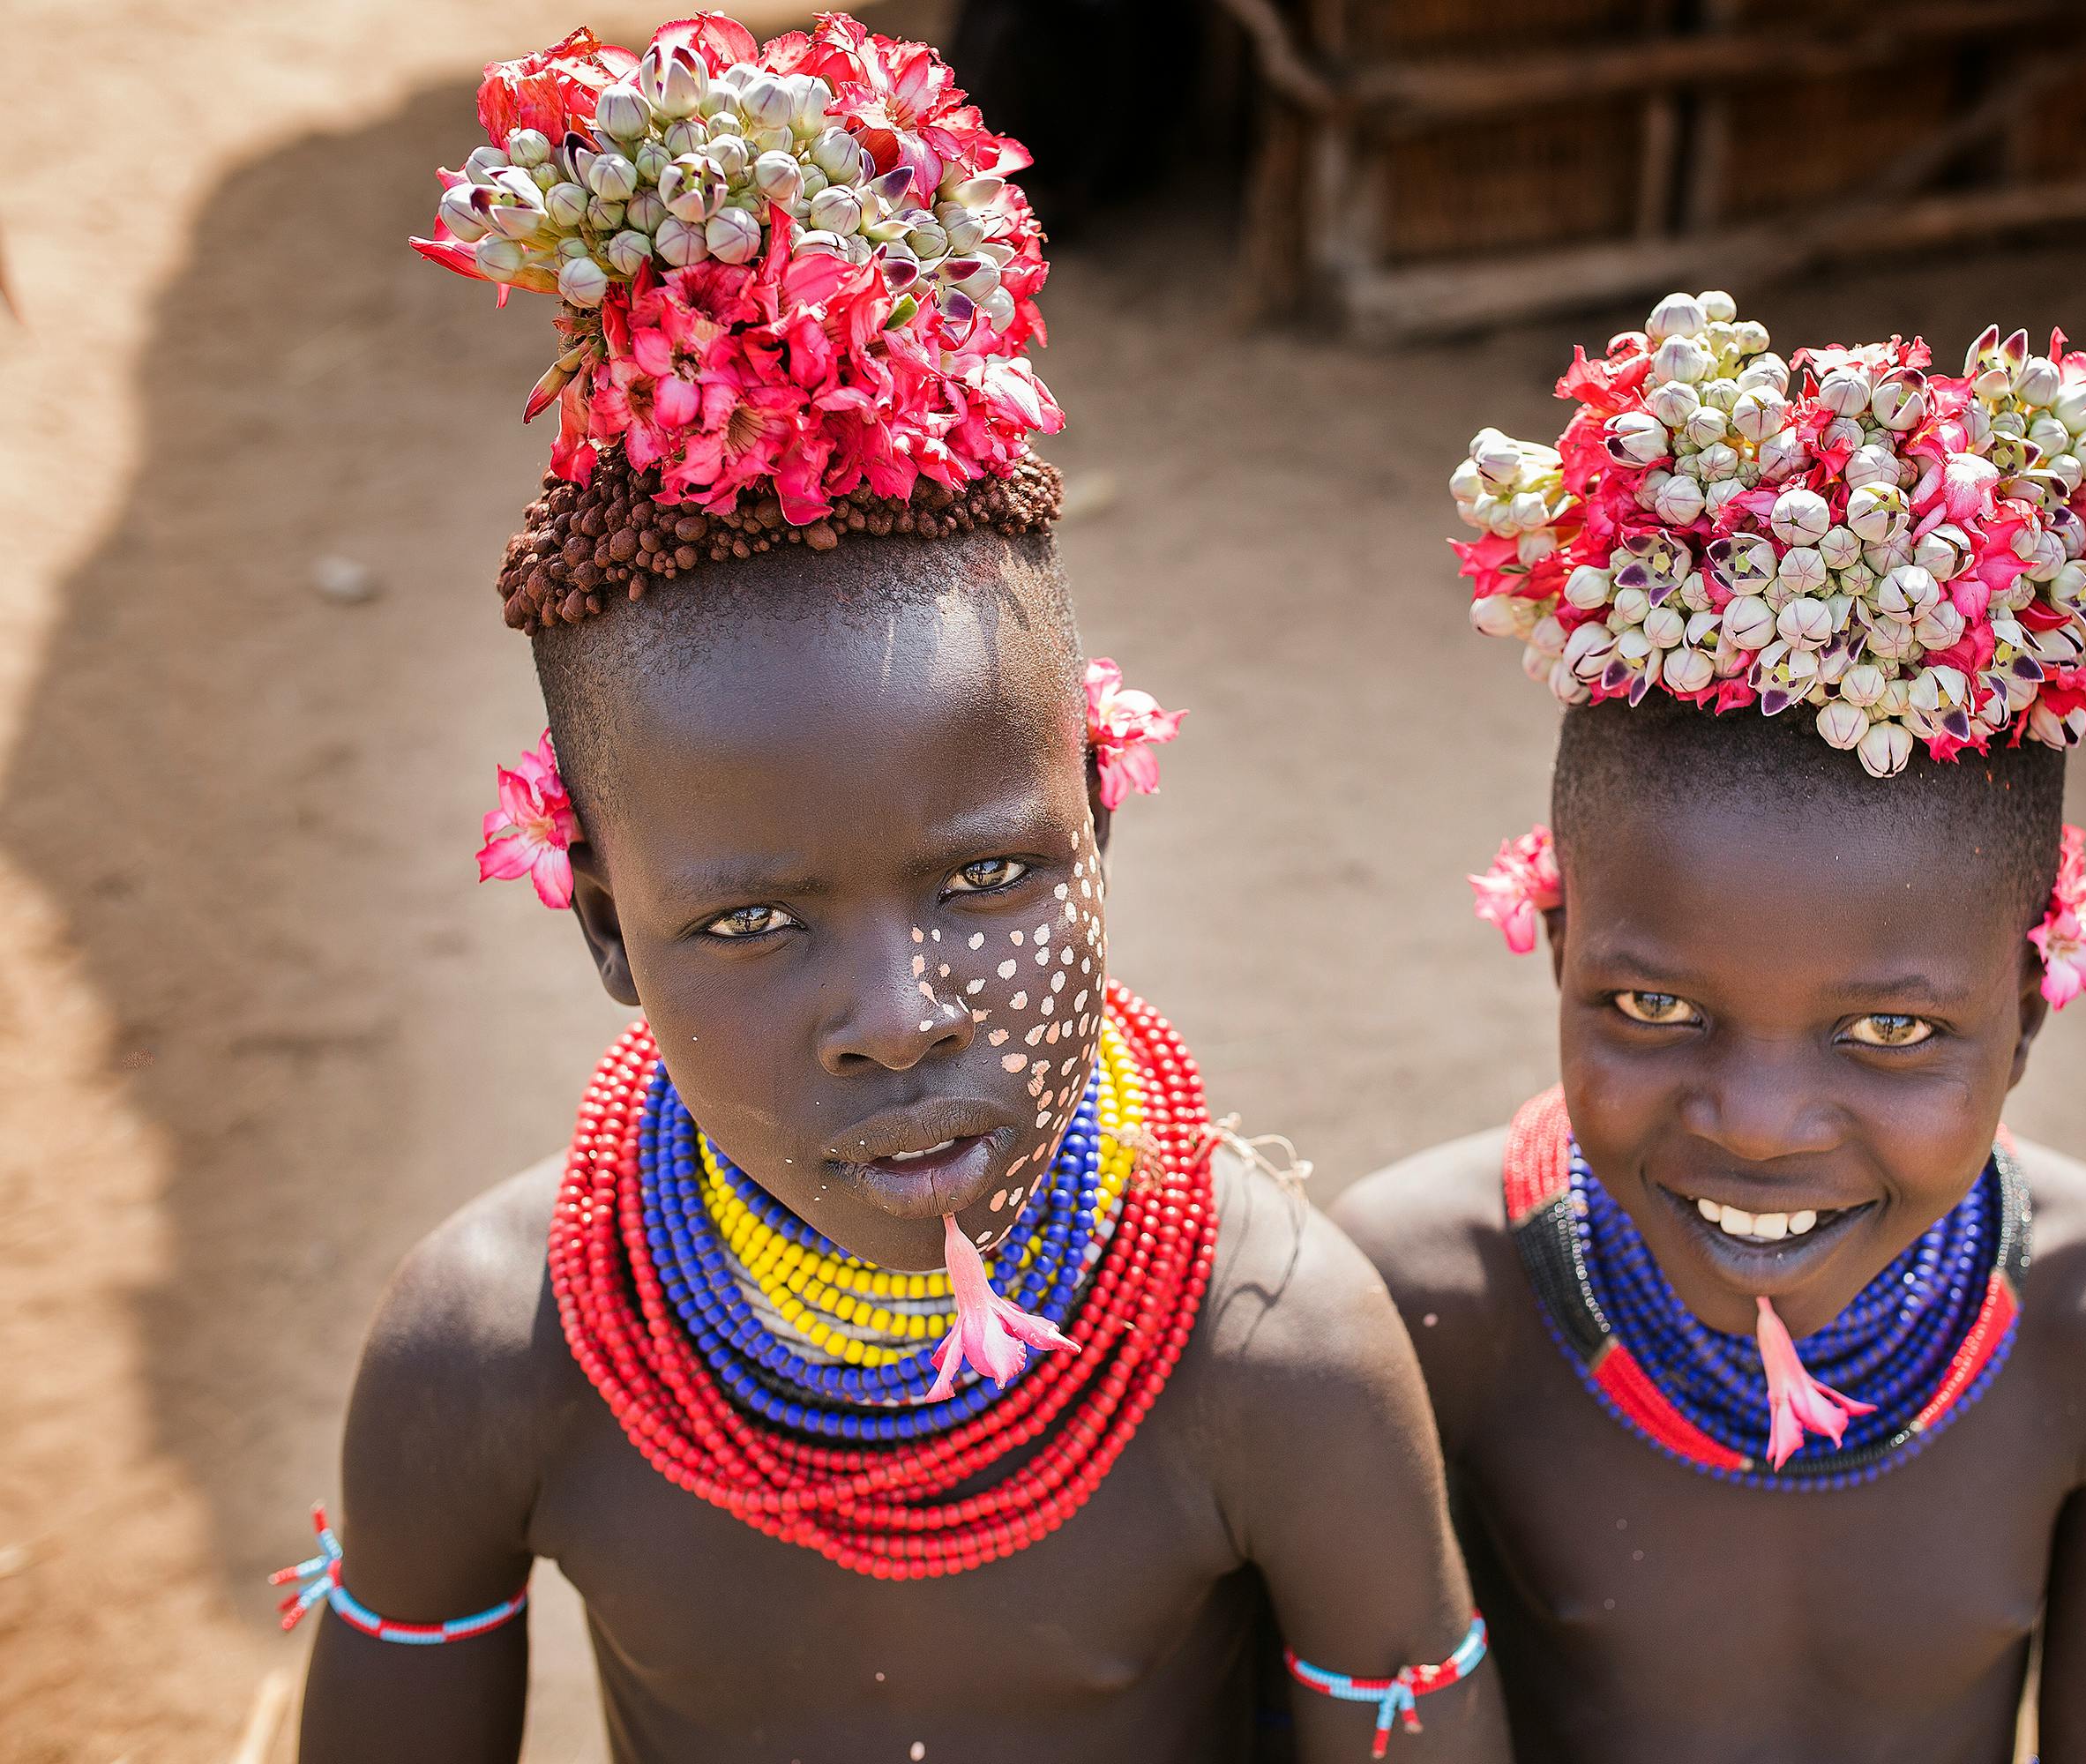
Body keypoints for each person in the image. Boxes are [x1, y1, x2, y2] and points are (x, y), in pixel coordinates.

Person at [277, 16, 1503, 1762]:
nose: (900, 1012)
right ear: (609, 928)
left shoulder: (1273, 1356)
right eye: (753, 921)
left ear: (1104, 820)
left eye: (992, 874)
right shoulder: (492, 1359)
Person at [1334, 291, 2086, 1762]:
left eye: (1886, 1034)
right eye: (1651, 1006)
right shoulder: (1426, 1306)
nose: (1756, 1125)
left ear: (2032, 1001)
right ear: (1555, 947)